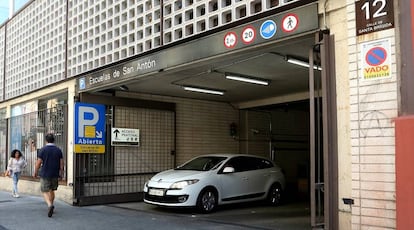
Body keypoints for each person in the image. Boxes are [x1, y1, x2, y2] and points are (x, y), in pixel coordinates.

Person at [34, 133, 64, 218]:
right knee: (52, 190)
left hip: (45, 173)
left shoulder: (43, 150)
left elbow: (38, 162)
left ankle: (50, 205)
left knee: (44, 190)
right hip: (55, 173)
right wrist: (61, 173)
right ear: (54, 140)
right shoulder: (58, 150)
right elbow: (62, 163)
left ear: (46, 140)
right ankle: (52, 204)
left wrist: (35, 171)